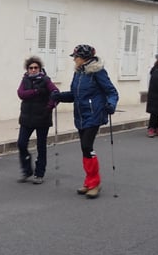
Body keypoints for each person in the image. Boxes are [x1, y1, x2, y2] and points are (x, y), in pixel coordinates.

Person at [51, 44, 118, 199]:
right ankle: (89, 182)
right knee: (84, 148)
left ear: (84, 58)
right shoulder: (78, 73)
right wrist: (59, 96)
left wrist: (111, 104)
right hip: (80, 115)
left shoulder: (98, 72)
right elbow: (75, 95)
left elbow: (112, 92)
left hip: (94, 114)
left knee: (87, 146)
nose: (74, 59)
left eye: (76, 57)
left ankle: (95, 183)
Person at [16, 56, 59, 184]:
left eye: (36, 67)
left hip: (42, 118)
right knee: (21, 144)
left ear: (40, 68)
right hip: (26, 118)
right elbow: (21, 94)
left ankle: (39, 174)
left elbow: (56, 93)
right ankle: (27, 170)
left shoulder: (46, 80)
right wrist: (35, 91)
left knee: (41, 146)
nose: (33, 70)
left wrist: (49, 107)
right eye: (31, 68)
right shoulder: (25, 80)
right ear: (27, 69)